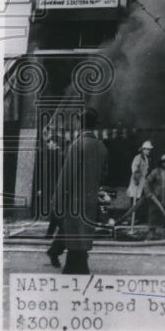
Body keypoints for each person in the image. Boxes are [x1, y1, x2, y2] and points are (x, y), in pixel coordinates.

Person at [47, 108, 108, 274]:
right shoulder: (102, 147)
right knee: (81, 238)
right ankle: (77, 270)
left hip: (73, 201)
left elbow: (66, 177)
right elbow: (103, 175)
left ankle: (74, 273)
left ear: (80, 123)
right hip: (90, 200)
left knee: (73, 237)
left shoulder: (77, 145)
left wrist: (56, 202)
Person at [126, 140, 153, 227]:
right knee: (134, 200)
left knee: (141, 201)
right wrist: (136, 175)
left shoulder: (147, 158)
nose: (149, 151)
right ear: (143, 149)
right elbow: (134, 167)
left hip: (143, 183)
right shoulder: (138, 157)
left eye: (149, 149)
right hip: (136, 182)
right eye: (147, 149)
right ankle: (131, 219)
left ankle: (139, 218)